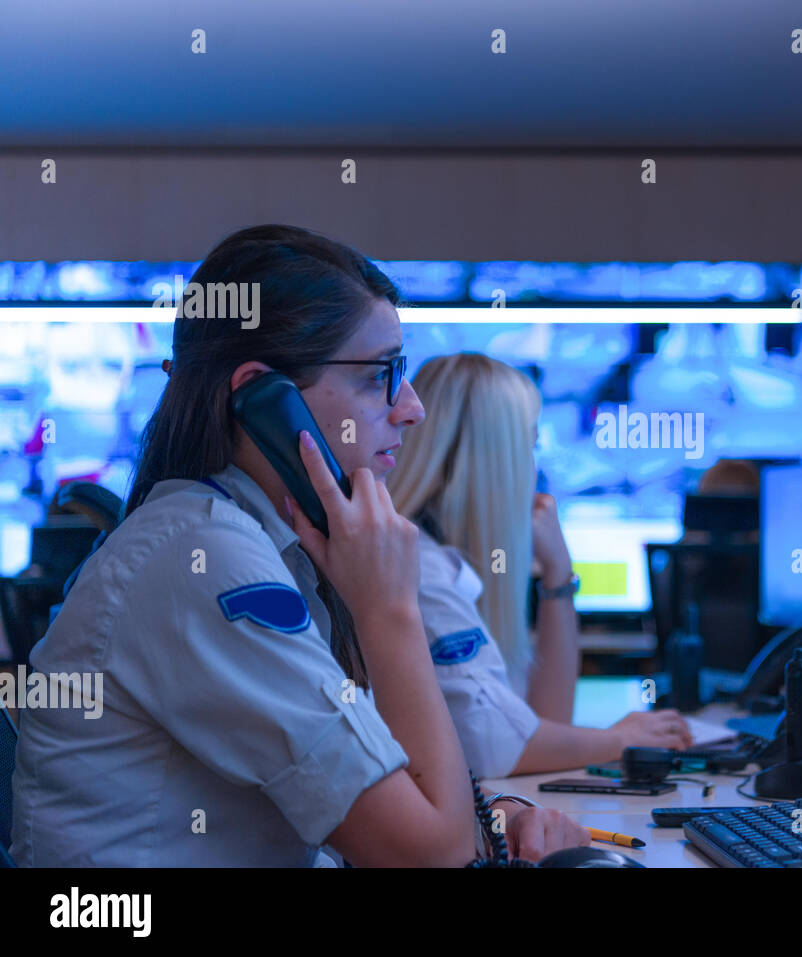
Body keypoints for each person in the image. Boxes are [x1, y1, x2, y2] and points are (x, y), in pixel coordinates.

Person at [8, 225, 586, 866]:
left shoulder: (277, 552)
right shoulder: (204, 562)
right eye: (378, 376)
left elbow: (399, 792)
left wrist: (492, 820)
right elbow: (428, 859)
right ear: (264, 398)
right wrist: (388, 609)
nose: (412, 408)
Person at [386, 353, 693, 777]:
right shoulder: (423, 574)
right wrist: (620, 740)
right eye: (530, 446)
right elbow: (500, 748)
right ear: (500, 461)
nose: (534, 468)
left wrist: (558, 577)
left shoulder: (445, 563)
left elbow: (546, 719)